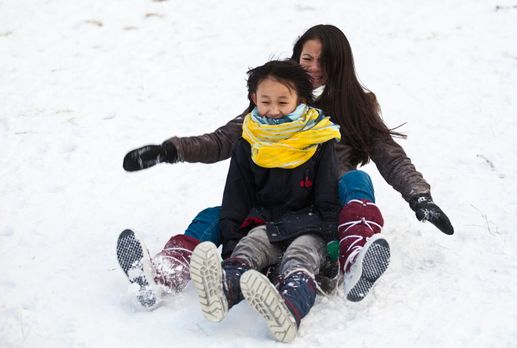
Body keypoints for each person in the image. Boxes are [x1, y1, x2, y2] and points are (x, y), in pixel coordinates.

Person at [116, 24, 454, 309]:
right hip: (273, 201)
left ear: (341, 65)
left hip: (322, 209)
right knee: (213, 216)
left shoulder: (353, 105)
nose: (313, 66)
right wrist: (170, 150)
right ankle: (163, 273)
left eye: (324, 61)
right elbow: (222, 140)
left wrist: (419, 196)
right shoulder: (274, 103)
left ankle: (354, 258)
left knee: (355, 180)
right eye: (307, 57)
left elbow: (387, 152)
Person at [189, 59, 341, 343]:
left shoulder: (319, 140)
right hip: (267, 223)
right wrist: (232, 239)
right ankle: (223, 291)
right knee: (249, 247)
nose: (273, 110)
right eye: (265, 101)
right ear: (253, 99)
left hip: (310, 225)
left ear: (301, 101)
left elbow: (328, 198)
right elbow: (237, 193)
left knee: (300, 257)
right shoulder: (249, 141)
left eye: (283, 102)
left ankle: (287, 310)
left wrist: (332, 245)